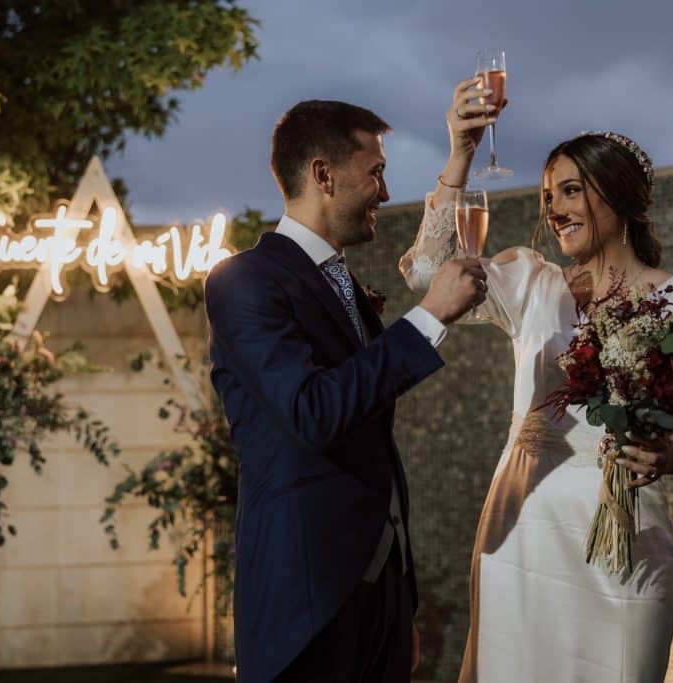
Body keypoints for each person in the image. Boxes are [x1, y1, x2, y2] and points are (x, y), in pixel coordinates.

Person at [399, 78, 673, 683]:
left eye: (571, 190)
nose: (554, 209)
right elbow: (430, 274)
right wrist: (460, 153)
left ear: (619, 198)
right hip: (522, 530)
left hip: (625, 543)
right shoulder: (532, 283)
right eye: (548, 195)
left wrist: (669, 455)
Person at [205, 99, 488, 683]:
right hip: (303, 604)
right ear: (323, 175)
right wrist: (429, 315)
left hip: (378, 595)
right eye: (376, 172)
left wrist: (398, 598)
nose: (384, 193)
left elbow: (370, 435)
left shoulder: (346, 288)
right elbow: (312, 411)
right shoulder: (243, 280)